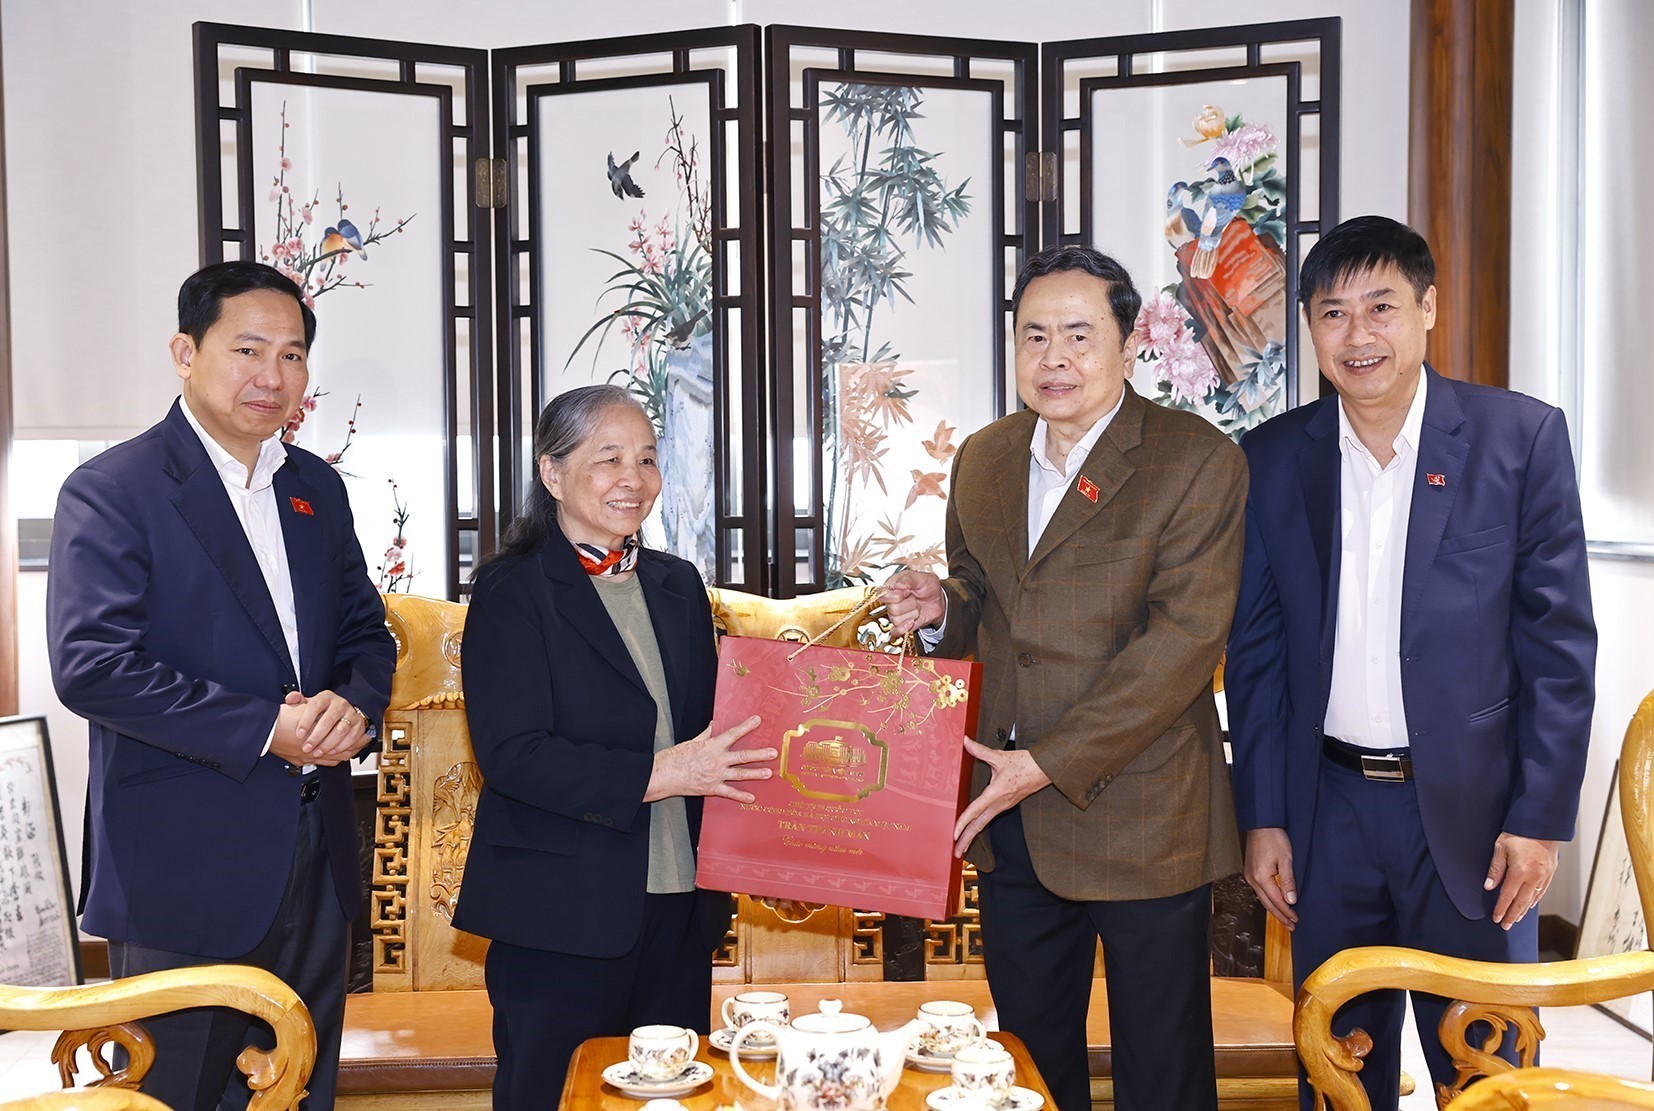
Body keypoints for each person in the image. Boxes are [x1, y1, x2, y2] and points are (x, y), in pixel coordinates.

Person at [1224, 215, 1596, 1109]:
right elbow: (1258, 654)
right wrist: (1264, 816)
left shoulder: (1519, 439)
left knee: (1489, 1077)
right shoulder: (1272, 458)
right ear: (1309, 328)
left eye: (1381, 306)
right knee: (1339, 1073)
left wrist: (1540, 819)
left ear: (1428, 308)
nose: (1358, 334)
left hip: (1476, 821)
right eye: (1333, 313)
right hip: (1328, 816)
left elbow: (1559, 646)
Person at [883, 244, 1248, 1111]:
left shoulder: (1196, 460)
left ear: (1130, 343)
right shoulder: (985, 456)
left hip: (1144, 816)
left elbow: (1182, 643)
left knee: (1162, 1072)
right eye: (1035, 335)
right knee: (1026, 1068)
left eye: (1080, 335)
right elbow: (981, 594)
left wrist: (1046, 763)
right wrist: (939, 608)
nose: (1055, 358)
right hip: (1012, 821)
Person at [47, 261, 397, 1110]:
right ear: (184, 352)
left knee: (299, 1088)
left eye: (292, 354)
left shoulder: (316, 489)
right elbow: (92, 664)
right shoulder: (114, 489)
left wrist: (352, 705)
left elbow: (365, 633)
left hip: (316, 856)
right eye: (248, 349)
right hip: (183, 869)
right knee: (181, 1093)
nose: (272, 375)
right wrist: (265, 727)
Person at [452, 384, 772, 1107]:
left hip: (680, 905)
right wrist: (662, 772)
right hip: (561, 911)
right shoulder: (512, 589)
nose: (633, 478)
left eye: (647, 459)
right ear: (552, 472)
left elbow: (719, 731)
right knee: (554, 1095)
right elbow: (513, 755)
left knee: (670, 1098)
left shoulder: (678, 584)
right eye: (609, 458)